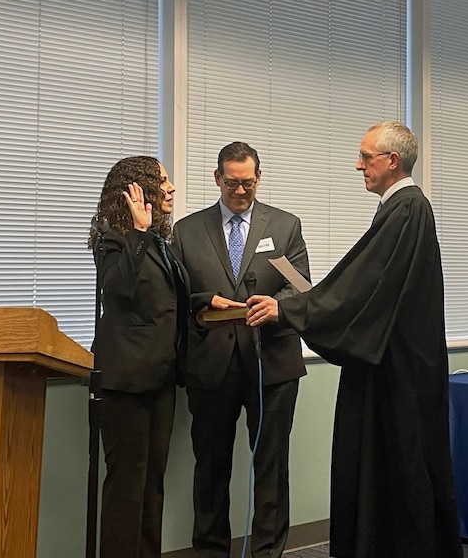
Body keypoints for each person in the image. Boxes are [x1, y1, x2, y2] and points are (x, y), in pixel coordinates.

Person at [246, 121, 464, 558]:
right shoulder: (400, 208)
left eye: (366, 157)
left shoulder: (406, 208)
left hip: (399, 369)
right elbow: (362, 283)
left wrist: (289, 309)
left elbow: (362, 285)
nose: (358, 165)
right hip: (392, 362)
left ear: (392, 161)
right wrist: (308, 306)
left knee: (401, 469)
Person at [171, 141, 310, 558]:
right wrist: (203, 301)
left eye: (248, 183)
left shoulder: (285, 226)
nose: (240, 191)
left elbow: (301, 288)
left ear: (259, 178)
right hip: (211, 365)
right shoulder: (187, 230)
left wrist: (277, 305)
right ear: (217, 178)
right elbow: (177, 296)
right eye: (232, 183)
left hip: (273, 363)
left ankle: (267, 551)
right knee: (210, 469)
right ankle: (211, 550)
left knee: (270, 467)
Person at [89, 156, 189, 558]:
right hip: (124, 385)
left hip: (161, 380)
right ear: (140, 189)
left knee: (152, 487)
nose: (171, 188)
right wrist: (139, 232)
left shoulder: (162, 245)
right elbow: (117, 291)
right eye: (163, 181)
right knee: (126, 489)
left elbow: (171, 302)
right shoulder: (113, 239)